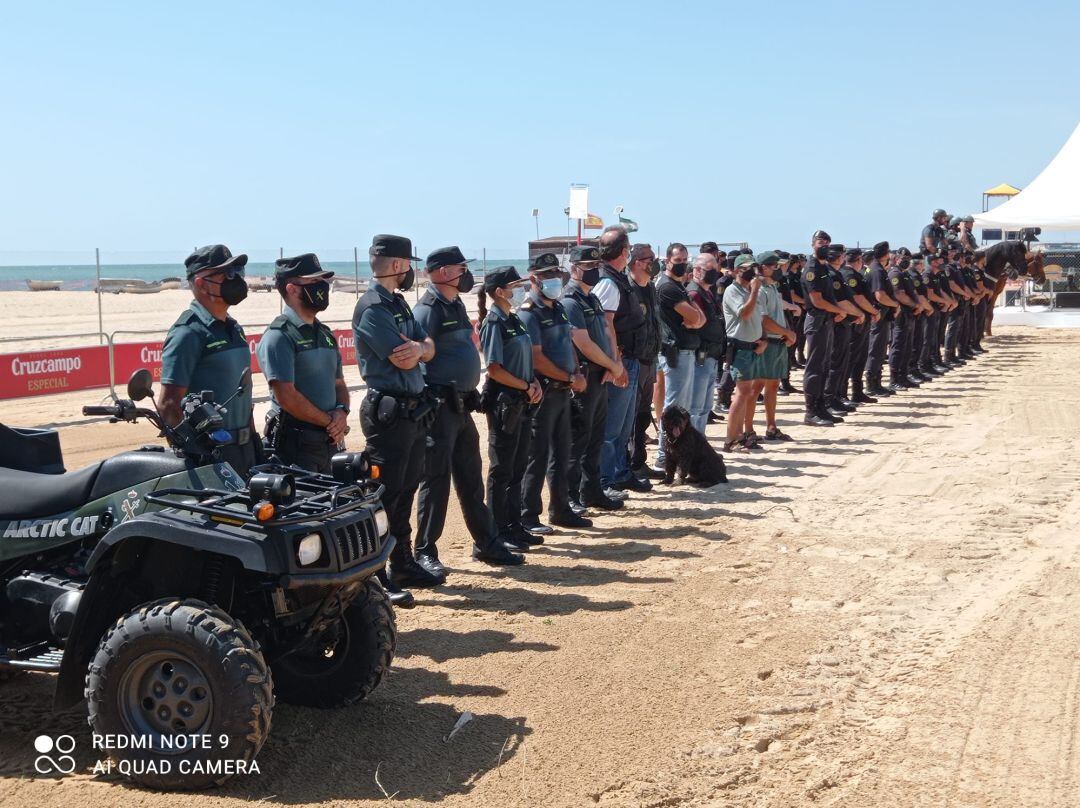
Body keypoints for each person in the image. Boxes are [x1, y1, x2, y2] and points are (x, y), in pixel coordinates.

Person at [413, 247, 524, 576]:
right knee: (436, 482)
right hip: (439, 408)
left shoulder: (454, 305)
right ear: (444, 272)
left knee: (471, 477)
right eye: (462, 268)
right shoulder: (427, 309)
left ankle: (486, 541)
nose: (466, 274)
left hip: (461, 405)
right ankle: (425, 551)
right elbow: (418, 358)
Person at [352, 233, 438, 606]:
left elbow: (426, 348)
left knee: (407, 488)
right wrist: (419, 350)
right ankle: (376, 575)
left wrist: (419, 348)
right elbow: (399, 357)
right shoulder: (373, 308)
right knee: (384, 494)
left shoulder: (398, 304)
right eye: (409, 265)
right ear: (399, 265)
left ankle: (402, 561)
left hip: (412, 409)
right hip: (389, 411)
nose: (412, 272)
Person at [160, 244, 257, 478]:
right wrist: (199, 452)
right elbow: (169, 404)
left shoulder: (234, 328)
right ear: (202, 283)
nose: (236, 280)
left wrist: (255, 444)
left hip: (247, 450)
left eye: (238, 273)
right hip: (215, 457)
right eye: (227, 274)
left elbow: (242, 394)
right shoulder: (188, 333)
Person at [518, 253, 591, 533]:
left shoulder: (557, 307)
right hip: (545, 393)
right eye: (547, 274)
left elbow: (567, 342)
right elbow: (537, 358)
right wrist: (570, 377)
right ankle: (528, 514)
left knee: (562, 453)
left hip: (564, 391)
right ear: (534, 278)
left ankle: (560, 508)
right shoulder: (529, 311)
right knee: (536, 456)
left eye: (556, 274)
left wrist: (576, 371)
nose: (554, 279)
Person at [258, 253, 347, 473]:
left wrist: (342, 412)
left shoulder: (325, 334)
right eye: (314, 281)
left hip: (330, 442)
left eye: (322, 280)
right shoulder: (279, 336)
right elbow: (287, 397)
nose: (322, 286)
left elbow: (339, 384)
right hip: (297, 448)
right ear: (292, 288)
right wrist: (330, 421)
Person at [478, 266, 543, 554]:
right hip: (506, 402)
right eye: (513, 285)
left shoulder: (513, 319)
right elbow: (494, 369)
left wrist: (534, 383)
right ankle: (498, 528)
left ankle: (515, 526)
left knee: (518, 466)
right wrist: (524, 386)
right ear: (499, 291)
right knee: (501, 468)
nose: (518, 290)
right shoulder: (494, 323)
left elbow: (523, 359)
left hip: (523, 400)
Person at [561, 245, 627, 512]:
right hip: (586, 376)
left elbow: (606, 331)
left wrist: (614, 364)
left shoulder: (592, 299)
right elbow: (582, 342)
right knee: (578, 440)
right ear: (574, 269)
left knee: (595, 437)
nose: (593, 272)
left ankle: (591, 490)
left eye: (595, 267)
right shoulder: (571, 300)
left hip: (601, 375)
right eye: (588, 268)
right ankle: (570, 495)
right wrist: (612, 364)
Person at [592, 227, 651, 494]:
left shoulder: (617, 278)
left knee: (624, 426)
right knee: (613, 428)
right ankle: (605, 480)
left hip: (630, 359)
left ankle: (620, 472)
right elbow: (606, 325)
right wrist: (615, 364)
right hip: (621, 361)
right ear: (624, 251)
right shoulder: (608, 282)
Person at [651, 243, 705, 473]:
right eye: (678, 260)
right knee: (674, 410)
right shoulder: (667, 287)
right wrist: (695, 318)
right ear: (667, 261)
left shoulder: (678, 286)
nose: (683, 264)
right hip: (676, 351)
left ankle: (677, 455)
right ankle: (664, 456)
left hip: (685, 350)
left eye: (685, 260)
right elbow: (695, 316)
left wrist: (696, 319)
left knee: (684, 408)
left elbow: (700, 319)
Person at [800, 233, 848, 425]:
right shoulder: (812, 268)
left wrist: (836, 311)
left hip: (826, 320)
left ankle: (821, 407)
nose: (825, 246)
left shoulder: (824, 268)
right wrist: (840, 310)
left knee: (824, 365)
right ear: (813, 245)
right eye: (821, 243)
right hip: (816, 320)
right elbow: (817, 300)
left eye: (827, 243)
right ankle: (811, 411)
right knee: (814, 367)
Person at [721, 254, 766, 451]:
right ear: (738, 270)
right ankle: (731, 438)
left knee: (748, 392)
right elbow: (745, 313)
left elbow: (759, 317)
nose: (752, 272)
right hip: (739, 347)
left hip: (752, 347)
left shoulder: (748, 290)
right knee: (741, 393)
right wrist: (755, 292)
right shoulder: (733, 291)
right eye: (748, 268)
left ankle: (741, 434)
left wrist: (763, 339)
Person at [628, 244, 664, 480]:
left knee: (642, 416)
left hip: (650, 358)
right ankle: (628, 465)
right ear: (638, 262)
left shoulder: (650, 287)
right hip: (634, 360)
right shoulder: (628, 289)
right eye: (650, 259)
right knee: (628, 419)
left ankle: (639, 463)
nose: (654, 263)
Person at [751, 251, 796, 440]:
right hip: (767, 341)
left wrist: (786, 333)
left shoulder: (772, 288)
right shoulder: (760, 289)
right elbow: (763, 319)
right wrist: (786, 332)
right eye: (775, 266)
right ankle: (748, 429)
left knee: (773, 385)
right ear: (763, 268)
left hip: (777, 341)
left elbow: (776, 314)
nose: (779, 269)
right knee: (756, 386)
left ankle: (771, 426)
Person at [822, 243, 866, 415]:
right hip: (838, 323)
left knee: (841, 362)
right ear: (839, 257)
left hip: (844, 322)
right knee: (835, 362)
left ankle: (836, 397)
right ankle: (829, 399)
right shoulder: (832, 274)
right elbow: (842, 301)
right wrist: (859, 314)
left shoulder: (835, 273)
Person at [685, 253, 725, 434]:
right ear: (697, 270)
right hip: (700, 355)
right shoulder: (694, 292)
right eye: (711, 270)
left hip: (711, 354)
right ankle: (695, 444)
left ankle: (700, 444)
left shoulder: (707, 292)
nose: (715, 274)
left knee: (705, 406)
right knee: (696, 406)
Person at [839, 248, 880, 404]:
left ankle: (857, 391)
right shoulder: (849, 275)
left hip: (861, 321)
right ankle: (843, 392)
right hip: (856, 322)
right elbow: (858, 298)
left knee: (860, 358)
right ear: (857, 261)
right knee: (851, 358)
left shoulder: (854, 274)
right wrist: (873, 311)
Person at [864, 241, 899, 397]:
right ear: (885, 255)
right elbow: (880, 296)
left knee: (879, 349)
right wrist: (895, 304)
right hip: (878, 316)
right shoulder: (877, 270)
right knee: (875, 349)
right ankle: (872, 384)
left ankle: (877, 382)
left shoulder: (878, 268)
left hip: (882, 316)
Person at [886, 250, 923, 391]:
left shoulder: (905, 273)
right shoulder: (895, 273)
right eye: (903, 258)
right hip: (900, 315)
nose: (906, 260)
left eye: (907, 258)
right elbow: (899, 294)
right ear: (896, 259)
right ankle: (894, 379)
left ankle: (903, 376)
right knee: (898, 347)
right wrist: (916, 305)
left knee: (907, 347)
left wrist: (917, 305)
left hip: (909, 315)